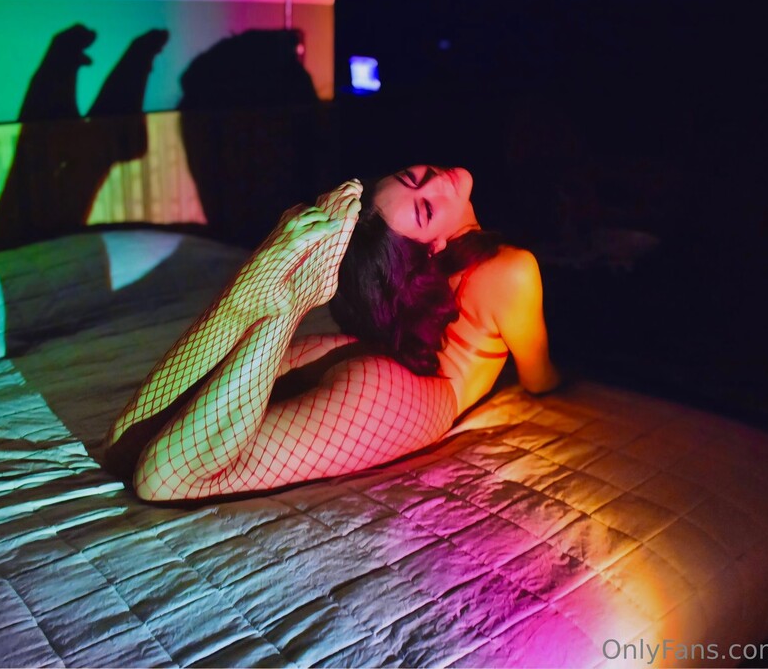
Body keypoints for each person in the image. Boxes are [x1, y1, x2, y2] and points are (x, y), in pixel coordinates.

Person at [103, 166, 561, 502]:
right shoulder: (512, 269)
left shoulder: (454, 274)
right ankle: (283, 306)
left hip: (380, 365)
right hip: (422, 393)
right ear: (433, 250)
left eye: (414, 178)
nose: (435, 181)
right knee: (163, 474)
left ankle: (252, 296)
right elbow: (540, 379)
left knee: (130, 449)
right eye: (423, 205)